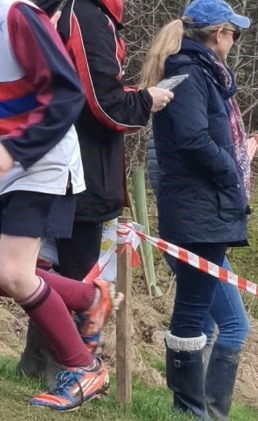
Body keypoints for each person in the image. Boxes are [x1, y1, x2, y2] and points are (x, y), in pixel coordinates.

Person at [19, 0, 175, 380]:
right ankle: (69, 369)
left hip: (59, 161)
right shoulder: (86, 15)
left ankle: (36, 363)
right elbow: (105, 104)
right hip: (79, 167)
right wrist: (145, 100)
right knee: (77, 272)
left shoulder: (74, 11)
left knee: (44, 266)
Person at [0, 0, 121, 410]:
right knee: (6, 273)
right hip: (7, 156)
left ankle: (85, 368)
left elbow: (68, 93)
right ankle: (88, 299)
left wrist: (14, 150)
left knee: (12, 273)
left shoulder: (15, 14)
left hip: (41, 158)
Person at [140, 0, 253, 418]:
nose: (234, 41)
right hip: (197, 214)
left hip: (204, 211)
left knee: (204, 317)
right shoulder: (190, 74)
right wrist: (230, 169)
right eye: (233, 33)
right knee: (194, 314)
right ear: (219, 34)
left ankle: (195, 409)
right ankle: (191, 410)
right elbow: (192, 140)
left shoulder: (201, 73)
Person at [146, 130, 253, 369]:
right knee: (235, 325)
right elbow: (190, 175)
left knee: (201, 325)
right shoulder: (187, 126)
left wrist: (239, 159)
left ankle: (192, 391)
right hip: (196, 234)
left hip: (193, 230)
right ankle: (207, 395)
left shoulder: (181, 127)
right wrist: (234, 167)